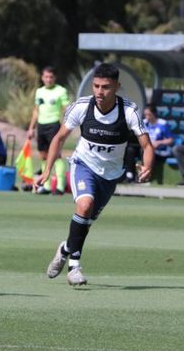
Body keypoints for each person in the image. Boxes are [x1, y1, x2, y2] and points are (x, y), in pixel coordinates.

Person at [39, 63, 153, 286]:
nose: (100, 92)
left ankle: (64, 249)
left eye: (106, 87)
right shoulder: (81, 107)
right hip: (83, 166)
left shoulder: (129, 111)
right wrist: (47, 170)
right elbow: (59, 139)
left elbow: (147, 145)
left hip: (110, 176)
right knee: (84, 206)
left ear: (117, 87)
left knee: (85, 223)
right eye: (96, 86)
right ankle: (74, 268)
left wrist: (147, 165)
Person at [27, 66, 71, 195]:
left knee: (56, 156)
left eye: (51, 77)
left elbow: (66, 109)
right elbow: (36, 110)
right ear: (42, 78)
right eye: (46, 77)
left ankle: (60, 186)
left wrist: (64, 126)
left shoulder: (61, 91)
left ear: (54, 78)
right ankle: (45, 186)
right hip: (41, 126)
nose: (48, 79)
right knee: (43, 156)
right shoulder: (39, 91)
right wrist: (31, 128)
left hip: (54, 125)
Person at [142, 104, 174, 184]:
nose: (147, 117)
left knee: (149, 150)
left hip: (162, 151)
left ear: (154, 114)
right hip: (146, 149)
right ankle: (130, 176)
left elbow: (170, 140)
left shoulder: (163, 124)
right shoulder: (143, 123)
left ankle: (146, 177)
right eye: (145, 115)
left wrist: (159, 142)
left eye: (149, 115)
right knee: (131, 150)